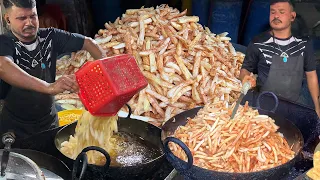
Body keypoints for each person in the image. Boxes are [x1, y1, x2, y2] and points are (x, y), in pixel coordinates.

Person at [0, 0, 104, 139]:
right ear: (8, 19)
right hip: (16, 129)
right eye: (22, 18)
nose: (29, 23)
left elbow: (89, 43)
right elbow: (3, 66)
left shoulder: (50, 36)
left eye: (33, 16)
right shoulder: (5, 42)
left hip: (50, 123)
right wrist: (49, 87)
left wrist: (105, 75)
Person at [240, 0, 320, 117]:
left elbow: (311, 76)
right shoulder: (258, 43)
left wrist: (317, 108)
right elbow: (245, 70)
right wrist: (244, 78)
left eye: (281, 12)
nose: (276, 16)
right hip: (263, 107)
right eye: (273, 12)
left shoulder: (303, 45)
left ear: (292, 16)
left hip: (294, 106)